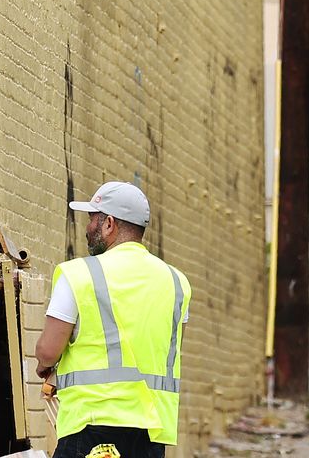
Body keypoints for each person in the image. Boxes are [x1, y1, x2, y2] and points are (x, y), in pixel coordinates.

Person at [34, 181, 191, 458]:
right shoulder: (176, 282)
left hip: (90, 425)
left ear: (108, 224)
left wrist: (46, 366)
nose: (87, 228)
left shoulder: (78, 274)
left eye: (92, 219)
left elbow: (48, 350)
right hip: (150, 432)